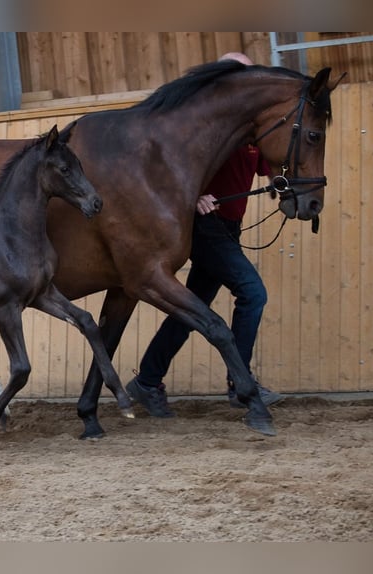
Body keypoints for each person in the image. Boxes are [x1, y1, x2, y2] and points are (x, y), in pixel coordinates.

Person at [126, 52, 283, 418]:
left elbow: (267, 163)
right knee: (252, 293)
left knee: (189, 310)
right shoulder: (202, 126)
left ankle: (147, 381)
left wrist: (283, 174)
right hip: (204, 228)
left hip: (229, 227)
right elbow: (166, 167)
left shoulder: (249, 129)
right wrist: (193, 195)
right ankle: (240, 381)